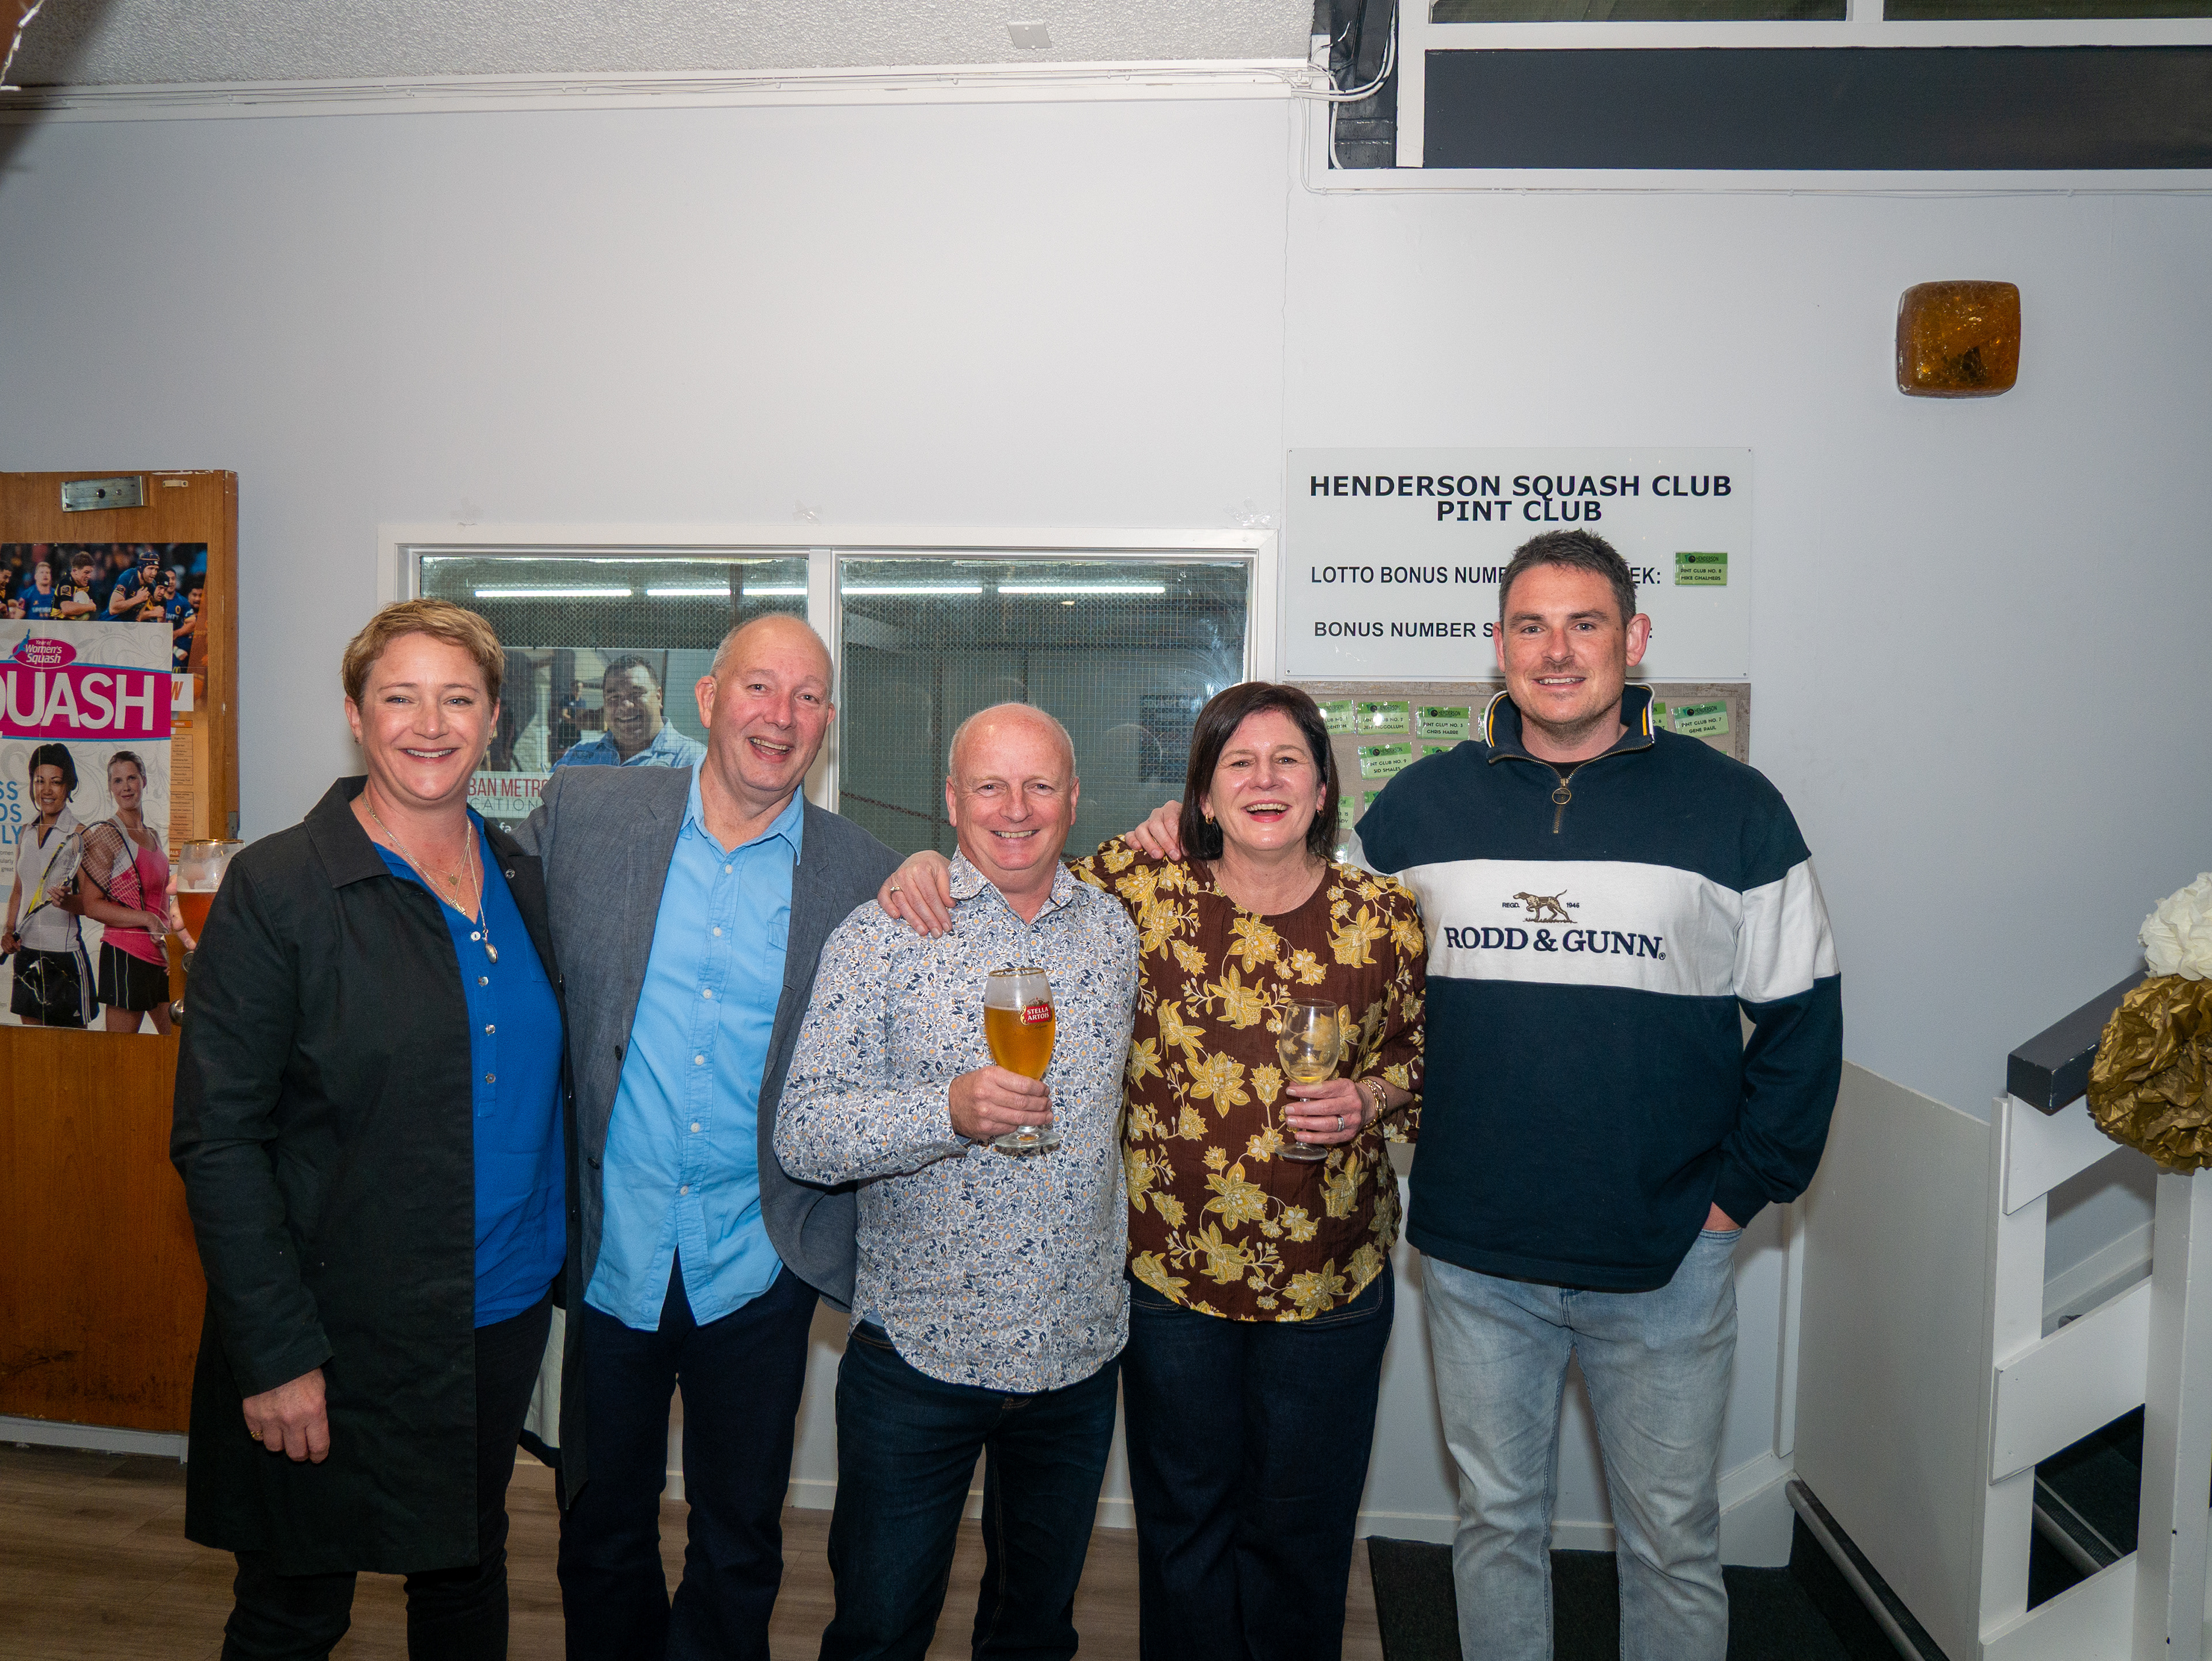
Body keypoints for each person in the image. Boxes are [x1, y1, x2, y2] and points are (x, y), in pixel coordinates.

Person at [1130, 529, 1842, 1661]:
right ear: (1498, 645)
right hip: (1475, 1257)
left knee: (1671, 1540)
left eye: (1584, 623)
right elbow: (1302, 910)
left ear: (1634, 638)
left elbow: (1804, 1020)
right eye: (1531, 626)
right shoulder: (1418, 808)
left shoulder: (1737, 808)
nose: (1557, 650)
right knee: (1498, 1528)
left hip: (1664, 1254)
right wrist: (1177, 838)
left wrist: (1734, 1196)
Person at [878, 683, 1425, 1661]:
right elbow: (1014, 863)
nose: (1265, 780)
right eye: (1238, 762)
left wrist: (1371, 1097)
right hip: (1175, 1284)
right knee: (1185, 1534)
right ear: (1203, 796)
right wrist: (925, 860)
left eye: (1288, 760)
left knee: (1302, 1538)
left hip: (1331, 1282)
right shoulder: (1140, 890)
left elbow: (1418, 1059)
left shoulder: (1385, 914)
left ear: (1323, 786)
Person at [171, 598, 573, 1660]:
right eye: (400, 697)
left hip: (496, 1313)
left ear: (494, 720)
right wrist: (275, 1356)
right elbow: (218, 1139)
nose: (430, 724)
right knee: (296, 1610)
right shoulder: (281, 887)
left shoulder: (522, 877)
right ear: (356, 715)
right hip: (332, 1327)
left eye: (459, 699)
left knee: (465, 1575)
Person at [516, 613, 899, 1661]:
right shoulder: (588, 812)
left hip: (759, 1262)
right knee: (600, 1529)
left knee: (739, 1542)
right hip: (613, 1248)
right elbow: (466, 892)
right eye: (759, 687)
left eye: (807, 697)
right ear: (709, 698)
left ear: (826, 721)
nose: (781, 716)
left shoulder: (863, 874)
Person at [777, 703, 1140, 1661]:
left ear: (1074, 799)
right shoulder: (885, 933)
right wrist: (945, 1110)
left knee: (1034, 1635)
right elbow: (804, 1132)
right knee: (879, 1630)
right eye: (989, 785)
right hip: (919, 1356)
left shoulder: (1117, 930)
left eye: (1039, 784)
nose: (1015, 808)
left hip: (1075, 1356)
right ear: (951, 799)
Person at [74, 751, 175, 1034]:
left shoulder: (153, 835)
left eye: (132, 778)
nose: (126, 787)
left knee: (177, 1046)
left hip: (160, 957)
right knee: (118, 1054)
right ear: (110, 787)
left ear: (144, 780)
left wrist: (170, 948)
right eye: (118, 781)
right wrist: (146, 919)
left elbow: (160, 902)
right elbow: (92, 906)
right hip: (125, 955)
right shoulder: (107, 836)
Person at [3, 743, 95, 1027]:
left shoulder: (79, 835)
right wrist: (8, 930)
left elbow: (91, 904)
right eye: (39, 781)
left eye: (56, 782)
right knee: (33, 1048)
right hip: (26, 953)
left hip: (64, 957)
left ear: (68, 786)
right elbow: (19, 890)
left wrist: (68, 902)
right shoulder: (25, 832)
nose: (46, 790)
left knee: (72, 1049)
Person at [551, 655, 706, 769]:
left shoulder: (694, 762)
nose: (625, 705)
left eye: (636, 693)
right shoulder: (577, 759)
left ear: (659, 697)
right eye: (614, 697)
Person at [55, 550, 100, 618]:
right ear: (75, 571)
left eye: (90, 573)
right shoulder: (66, 582)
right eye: (86, 572)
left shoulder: (88, 584)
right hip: (58, 622)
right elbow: (66, 609)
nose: (89, 576)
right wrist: (89, 607)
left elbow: (95, 607)